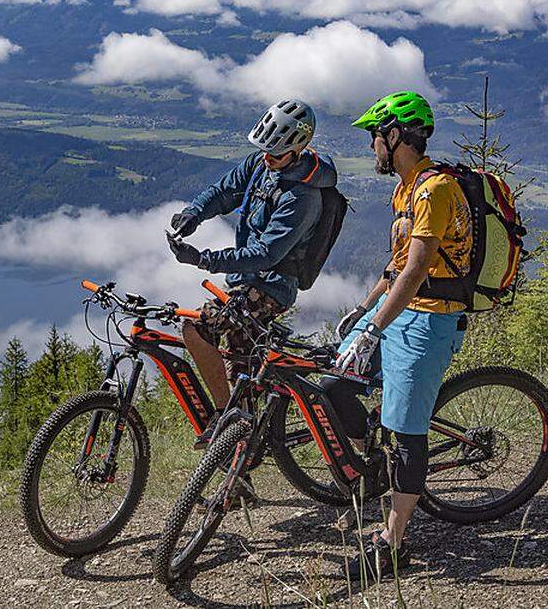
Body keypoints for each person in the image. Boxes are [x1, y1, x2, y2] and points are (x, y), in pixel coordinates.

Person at [336, 90, 471, 577]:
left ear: (396, 136)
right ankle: (376, 457)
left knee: (407, 438)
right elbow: (396, 267)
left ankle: (392, 545)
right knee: (333, 380)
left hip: (428, 321)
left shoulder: (434, 189)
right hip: (398, 312)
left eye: (375, 136)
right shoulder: (406, 187)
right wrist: (364, 309)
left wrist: (375, 327)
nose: (371, 146)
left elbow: (416, 273)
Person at [166, 99, 338, 450]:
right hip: (244, 282)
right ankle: (243, 456)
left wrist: (203, 259)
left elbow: (266, 254)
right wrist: (195, 213)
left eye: (275, 154)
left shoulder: (303, 197)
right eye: (263, 150)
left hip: (271, 287)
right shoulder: (261, 165)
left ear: (298, 148)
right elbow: (225, 191)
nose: (266, 158)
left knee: (196, 328)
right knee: (242, 371)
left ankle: (224, 418)